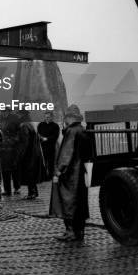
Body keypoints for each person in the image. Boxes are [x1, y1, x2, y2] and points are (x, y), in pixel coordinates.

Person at [51, 104, 93, 242]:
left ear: (69, 118)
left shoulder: (71, 132)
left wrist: (59, 171)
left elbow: (66, 154)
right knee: (80, 204)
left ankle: (70, 232)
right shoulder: (82, 130)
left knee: (68, 203)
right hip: (81, 173)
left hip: (70, 175)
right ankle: (79, 232)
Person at [17, 109, 43, 200]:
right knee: (31, 173)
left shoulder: (24, 126)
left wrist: (20, 154)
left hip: (29, 154)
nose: (18, 116)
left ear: (22, 115)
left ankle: (32, 193)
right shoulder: (31, 124)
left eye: (19, 114)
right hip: (34, 152)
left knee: (29, 174)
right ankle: (34, 192)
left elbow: (25, 142)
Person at [0, 108, 21, 196]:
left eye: (4, 111)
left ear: (8, 111)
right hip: (3, 148)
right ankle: (7, 190)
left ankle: (17, 188)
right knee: (5, 170)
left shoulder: (15, 119)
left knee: (15, 168)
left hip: (13, 148)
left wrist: (13, 140)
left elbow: (19, 132)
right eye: (1, 111)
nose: (3, 113)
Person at [38, 111, 60, 180]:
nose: (47, 118)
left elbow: (55, 136)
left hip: (51, 146)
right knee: (43, 162)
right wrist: (40, 138)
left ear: (52, 117)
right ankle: (43, 176)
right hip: (42, 146)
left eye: (48, 117)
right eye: (46, 117)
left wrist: (47, 139)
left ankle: (50, 176)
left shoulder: (55, 126)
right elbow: (38, 133)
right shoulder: (41, 124)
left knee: (51, 162)